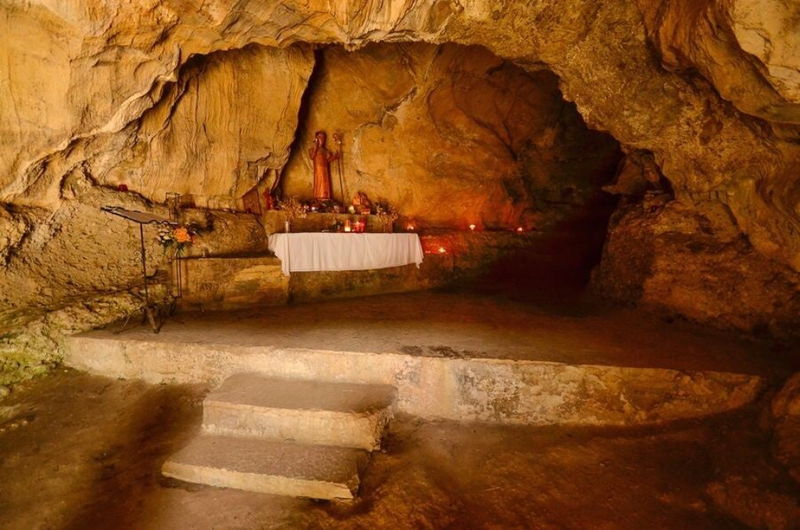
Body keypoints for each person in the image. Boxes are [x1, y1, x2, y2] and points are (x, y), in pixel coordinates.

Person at [309, 131, 339, 200]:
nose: (322, 139)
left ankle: (326, 197)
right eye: (320, 137)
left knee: (325, 183)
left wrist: (335, 157)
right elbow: (312, 157)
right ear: (316, 138)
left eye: (323, 137)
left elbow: (327, 160)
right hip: (318, 170)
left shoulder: (325, 151)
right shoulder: (312, 150)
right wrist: (316, 147)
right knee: (319, 182)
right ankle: (319, 197)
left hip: (325, 170)